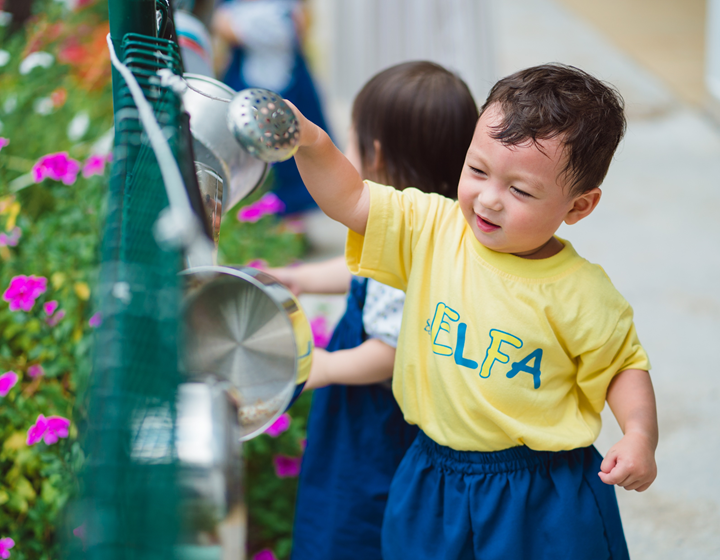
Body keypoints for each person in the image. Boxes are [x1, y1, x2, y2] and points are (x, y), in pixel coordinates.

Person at [286, 63, 658, 560]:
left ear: (579, 206)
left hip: (539, 489)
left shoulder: (581, 293)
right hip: (431, 474)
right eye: (477, 170)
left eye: (520, 190)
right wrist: (310, 142)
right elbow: (350, 199)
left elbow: (622, 366)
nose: (488, 199)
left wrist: (638, 435)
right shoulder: (433, 229)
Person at [269, 61, 478, 560]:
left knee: (352, 517)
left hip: (375, 419)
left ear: (376, 153)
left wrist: (322, 366)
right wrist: (304, 278)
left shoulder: (408, 228)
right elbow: (364, 269)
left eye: (352, 141)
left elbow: (390, 348)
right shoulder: (437, 217)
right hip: (394, 411)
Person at [211, 0, 332, 215]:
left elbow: (300, 26)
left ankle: (292, 212)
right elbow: (224, 28)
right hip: (246, 79)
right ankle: (247, 209)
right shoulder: (232, 9)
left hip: (288, 79)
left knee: (295, 142)